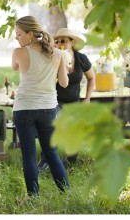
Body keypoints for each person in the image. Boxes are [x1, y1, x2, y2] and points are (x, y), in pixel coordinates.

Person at [11, 16, 70, 197]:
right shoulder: (58, 54)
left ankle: (33, 197)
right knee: (51, 153)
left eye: (19, 34)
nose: (16, 38)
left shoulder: (19, 52)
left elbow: (14, 67)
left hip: (24, 109)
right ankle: (66, 193)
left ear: (30, 34)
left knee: (28, 156)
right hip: (48, 109)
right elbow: (64, 83)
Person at [37, 27, 96, 173]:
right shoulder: (53, 57)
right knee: (51, 128)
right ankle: (45, 161)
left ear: (72, 42)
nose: (59, 43)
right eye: (56, 41)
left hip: (74, 103)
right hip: (54, 102)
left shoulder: (81, 59)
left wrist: (87, 98)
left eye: (63, 40)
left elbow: (91, 78)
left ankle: (71, 161)